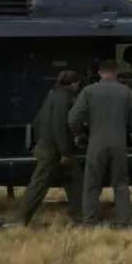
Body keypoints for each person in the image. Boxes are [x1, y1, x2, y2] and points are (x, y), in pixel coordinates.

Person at [68, 59, 132, 225]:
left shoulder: (89, 91)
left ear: (99, 72)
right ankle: (123, 221)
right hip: (119, 142)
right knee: (120, 183)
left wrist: (81, 134)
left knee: (92, 183)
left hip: (96, 141)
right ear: (116, 72)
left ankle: (90, 220)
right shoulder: (127, 92)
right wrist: (124, 130)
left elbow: (73, 118)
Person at [16, 71, 84, 226]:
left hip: (47, 146)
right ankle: (22, 219)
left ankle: (79, 215)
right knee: (40, 183)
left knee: (74, 179)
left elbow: (37, 121)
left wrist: (37, 142)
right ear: (74, 83)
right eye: (78, 83)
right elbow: (60, 126)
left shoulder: (52, 96)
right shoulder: (65, 99)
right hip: (54, 150)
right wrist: (65, 151)